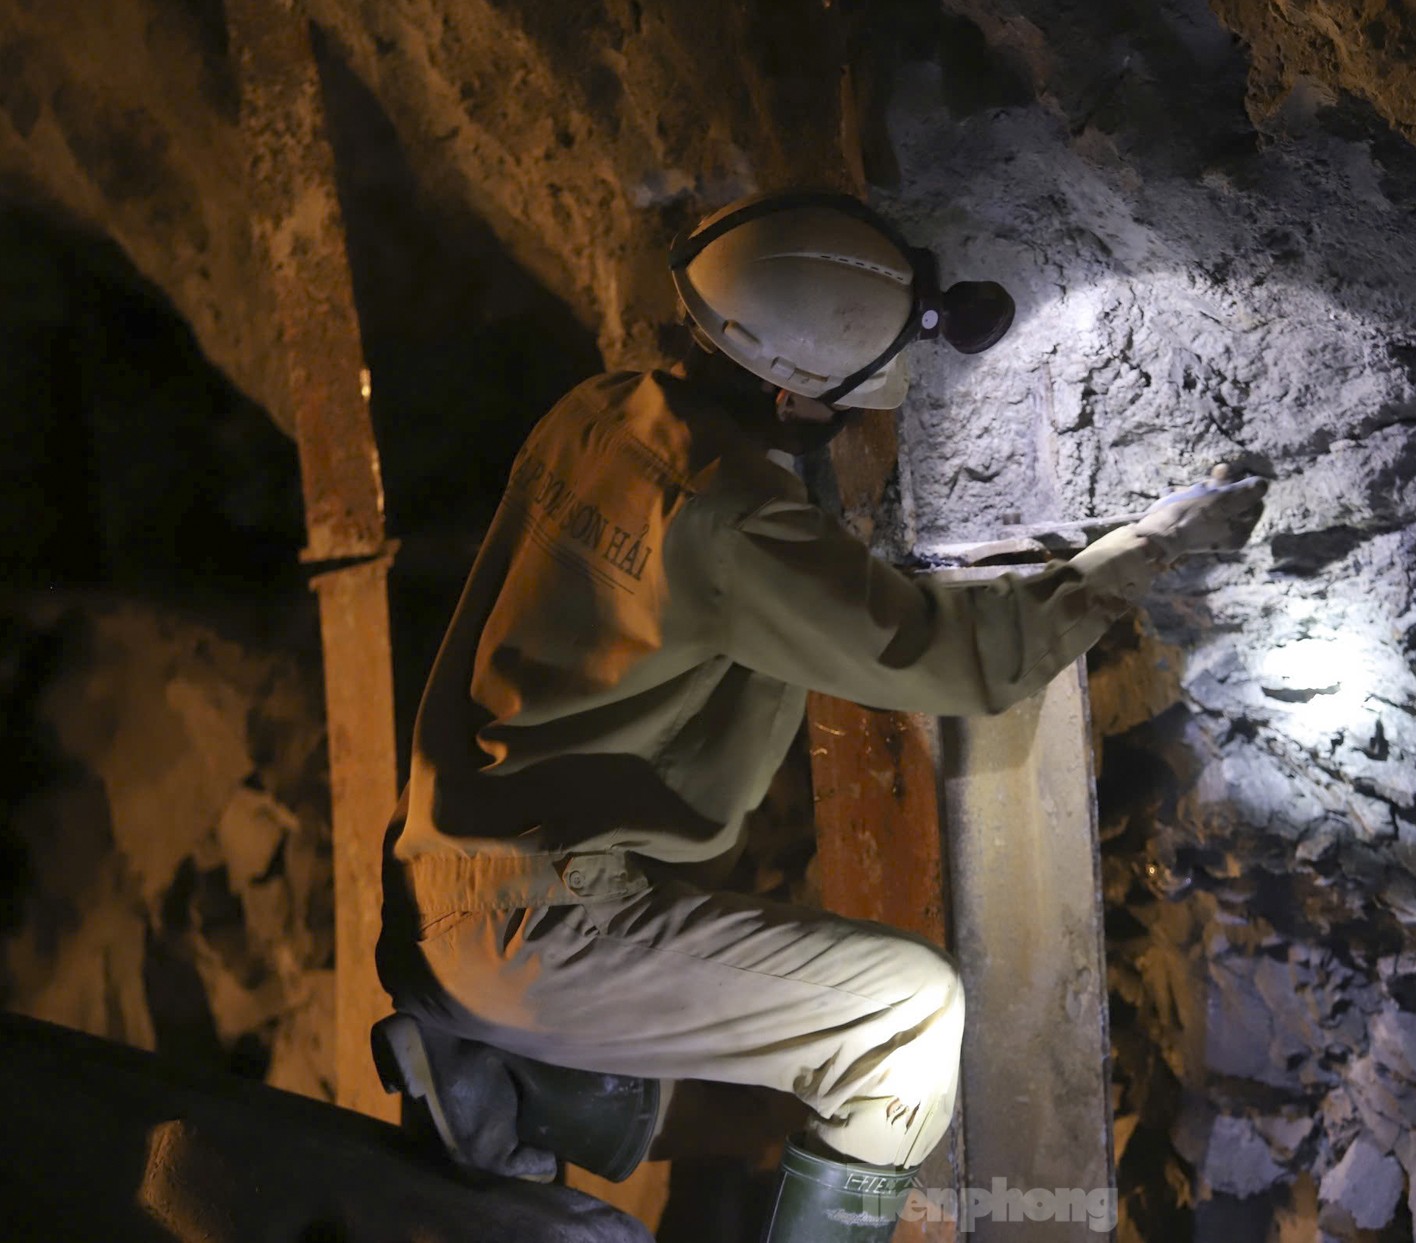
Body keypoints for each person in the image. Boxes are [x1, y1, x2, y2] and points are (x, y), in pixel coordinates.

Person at [369, 190, 1267, 1241]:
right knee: (904, 1017)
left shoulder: (597, 412)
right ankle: (509, 1064)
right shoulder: (731, 513)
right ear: (798, 397)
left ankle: (504, 1086)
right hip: (544, 924)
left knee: (701, 1020)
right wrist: (1148, 550)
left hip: (449, 874)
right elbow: (953, 658)